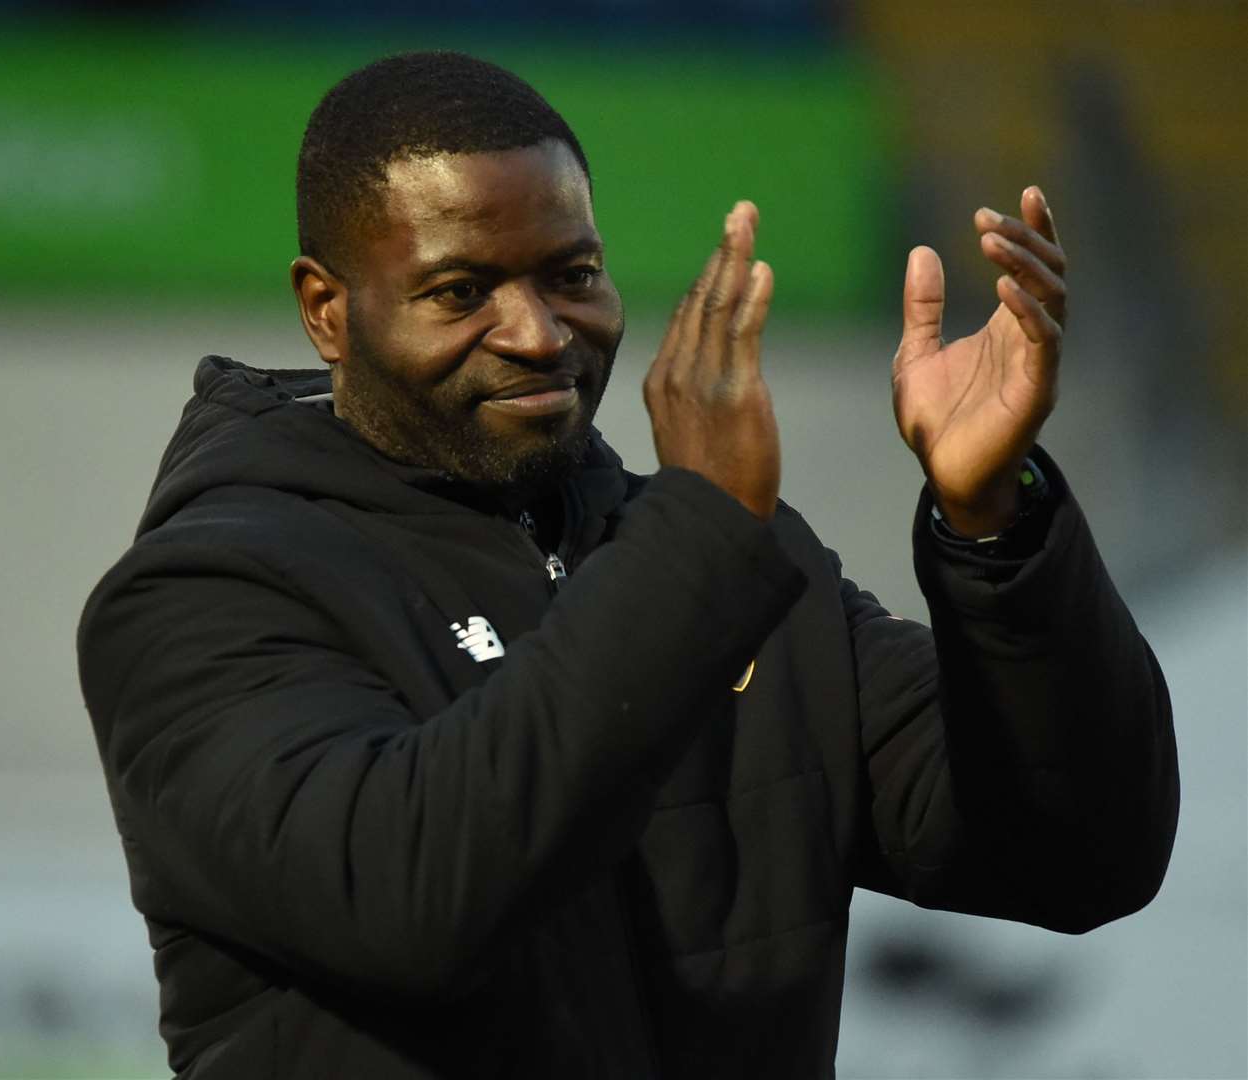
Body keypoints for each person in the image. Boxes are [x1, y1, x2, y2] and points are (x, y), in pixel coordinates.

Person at [77, 51, 1179, 1079]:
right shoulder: (199, 599)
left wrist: (993, 526)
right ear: (328, 309)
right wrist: (698, 538)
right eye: (461, 291)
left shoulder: (739, 571)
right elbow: (416, 904)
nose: (540, 333)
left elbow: (1082, 856)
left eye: (572, 273)